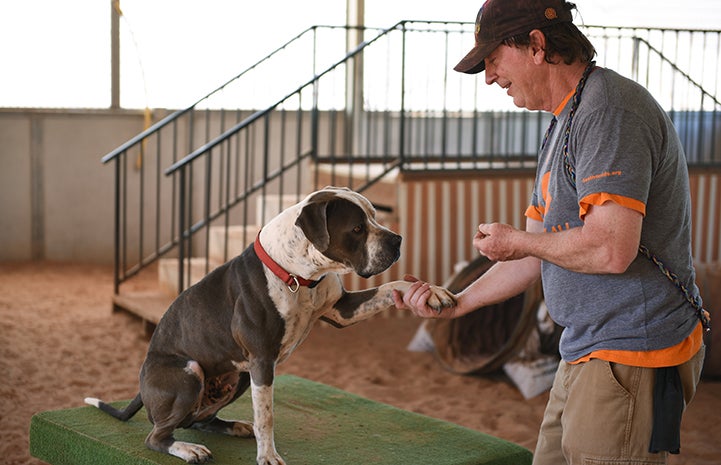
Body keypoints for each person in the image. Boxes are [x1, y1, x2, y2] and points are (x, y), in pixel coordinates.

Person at [392, 1, 709, 464]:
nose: (489, 76)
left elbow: (611, 248)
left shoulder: (609, 111)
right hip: (586, 346)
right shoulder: (566, 118)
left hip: (631, 352)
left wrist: (518, 241)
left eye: (494, 59)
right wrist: (458, 303)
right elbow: (538, 255)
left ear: (536, 46)